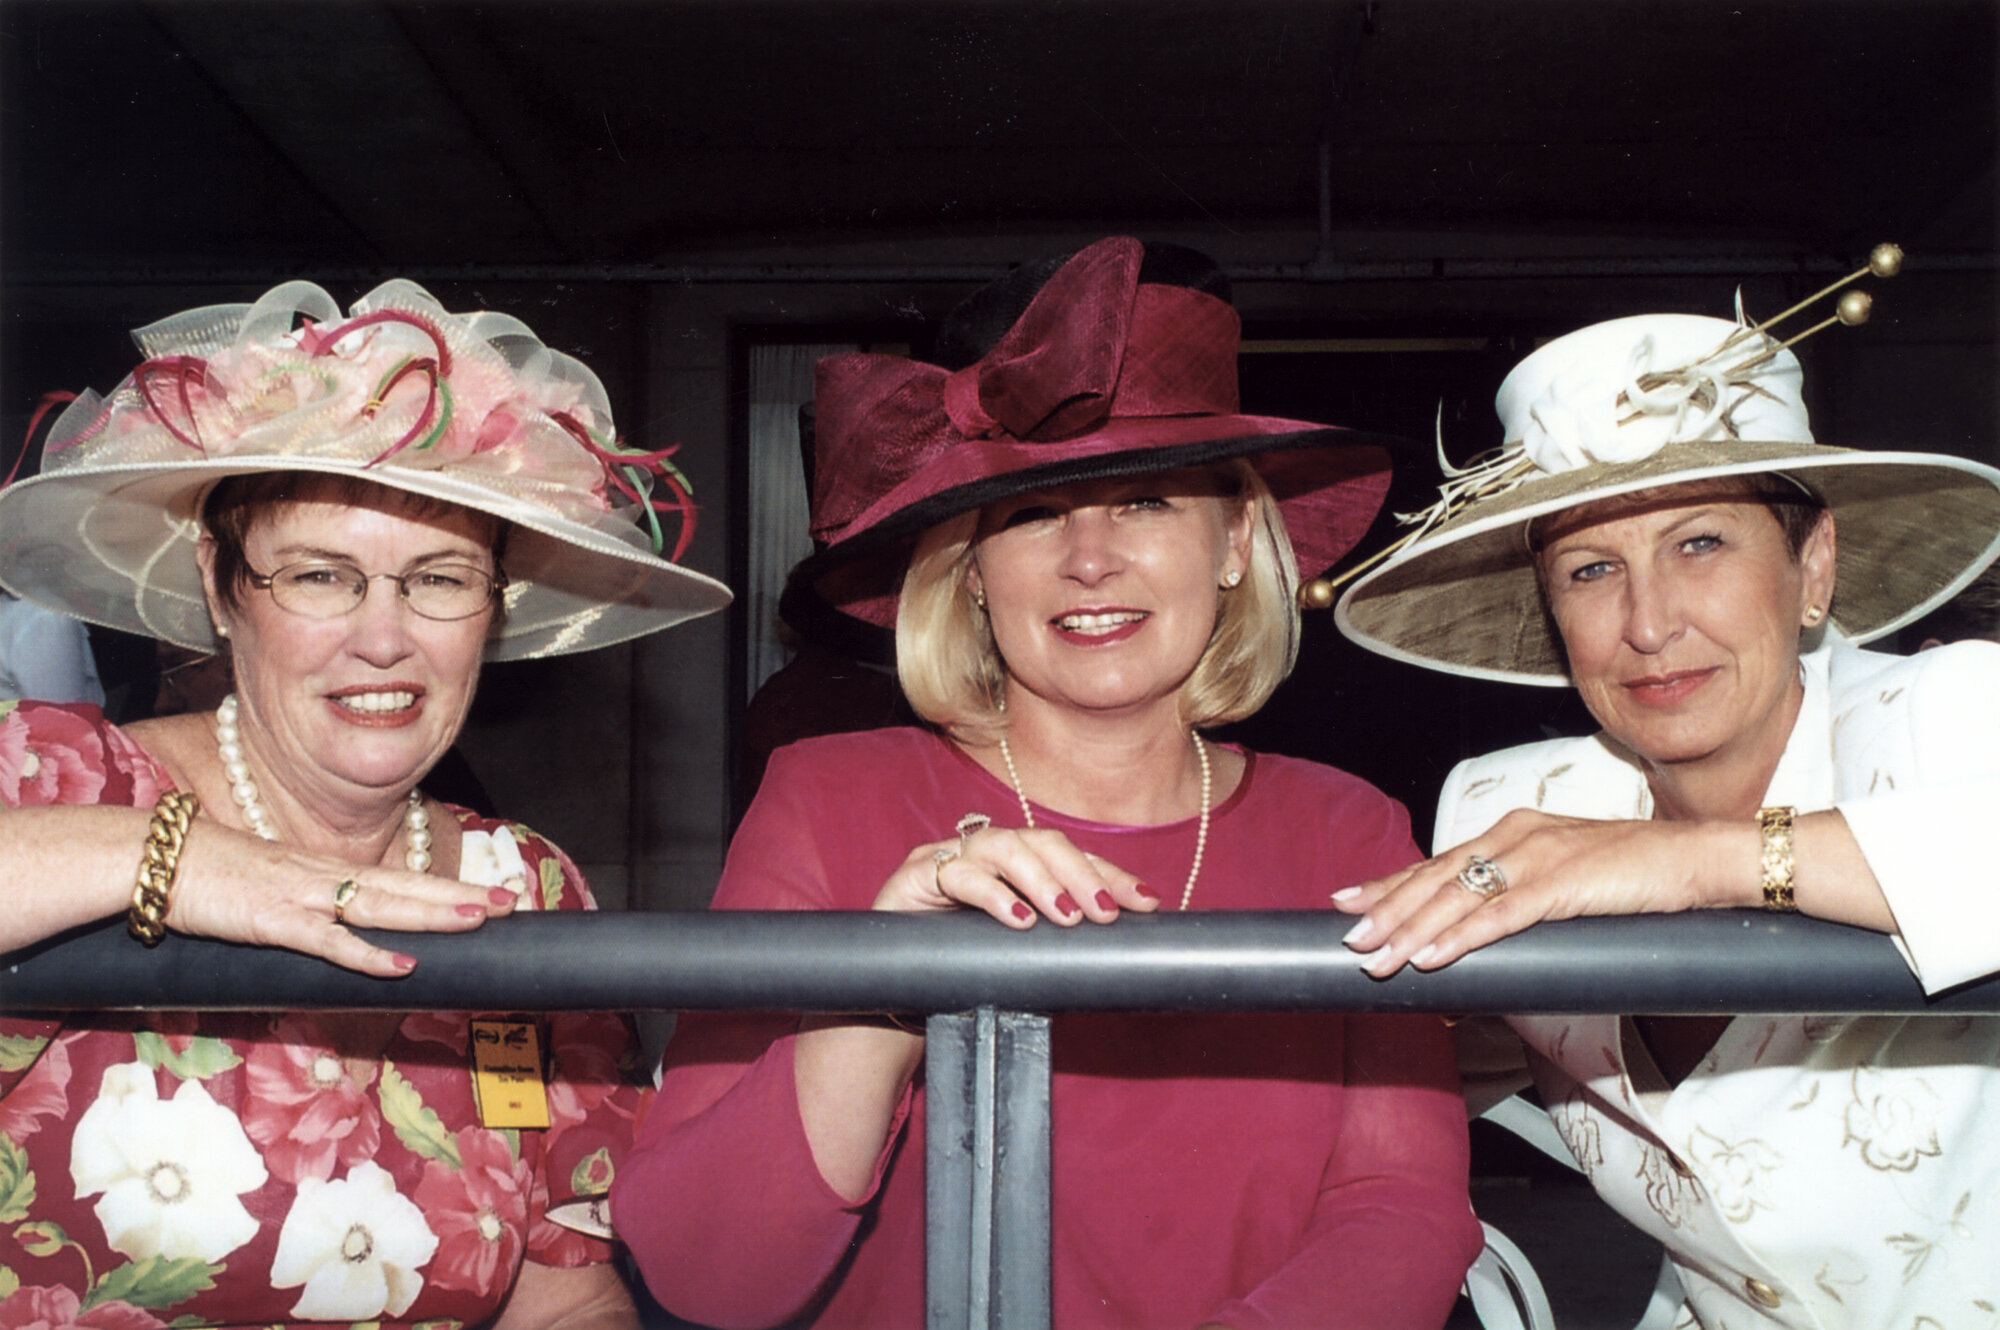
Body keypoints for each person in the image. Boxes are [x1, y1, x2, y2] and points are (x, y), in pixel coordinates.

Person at [612, 237, 1483, 1330]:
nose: (1087, 559)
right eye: (1029, 514)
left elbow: (1399, 1213)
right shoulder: (823, 799)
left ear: (1235, 539)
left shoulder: (1349, 826)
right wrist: (888, 980)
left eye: (1146, 502)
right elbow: (707, 1274)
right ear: (969, 572)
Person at [0, 280, 731, 1328]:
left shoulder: (524, 883)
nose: (384, 640)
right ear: (221, 584)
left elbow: (560, 1295)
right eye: (321, 575)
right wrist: (186, 861)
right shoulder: (58, 780)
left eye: (437, 578)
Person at [1333, 288, 2000, 1325]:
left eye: (1699, 544)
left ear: (1810, 564)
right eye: (1590, 568)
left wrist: (1685, 861)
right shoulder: (1508, 806)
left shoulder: (1946, 711)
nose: (1646, 624)